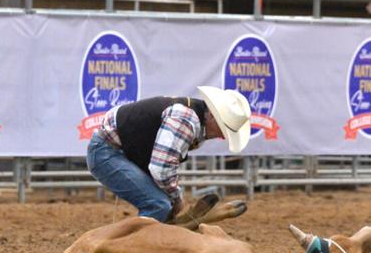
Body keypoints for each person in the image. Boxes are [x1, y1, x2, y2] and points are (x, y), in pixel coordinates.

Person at [87, 86, 252, 223]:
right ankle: (131, 252)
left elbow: (162, 163)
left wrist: (173, 198)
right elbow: (161, 168)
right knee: (158, 204)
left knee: (163, 204)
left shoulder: (191, 117)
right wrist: (177, 199)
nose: (222, 136)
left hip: (114, 149)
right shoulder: (187, 120)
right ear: (214, 118)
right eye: (223, 131)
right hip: (108, 153)